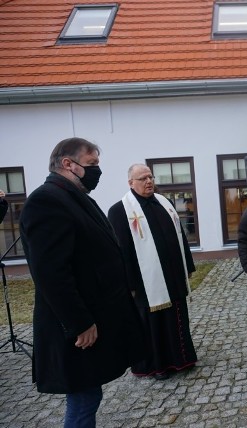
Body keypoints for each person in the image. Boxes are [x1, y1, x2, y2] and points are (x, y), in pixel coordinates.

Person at [19, 137, 146, 428]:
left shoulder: (75, 196)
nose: (96, 171)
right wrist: (79, 323)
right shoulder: (46, 200)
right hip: (75, 327)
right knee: (84, 399)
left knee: (90, 395)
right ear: (68, 164)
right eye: (91, 165)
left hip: (94, 314)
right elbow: (51, 273)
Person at [107, 163, 197, 380]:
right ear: (131, 183)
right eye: (143, 178)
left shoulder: (164, 202)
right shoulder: (120, 211)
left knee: (177, 318)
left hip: (173, 275)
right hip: (145, 281)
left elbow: (179, 235)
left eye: (150, 177)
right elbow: (121, 251)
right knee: (154, 324)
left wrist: (188, 265)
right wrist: (129, 284)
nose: (149, 182)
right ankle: (158, 366)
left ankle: (181, 359)